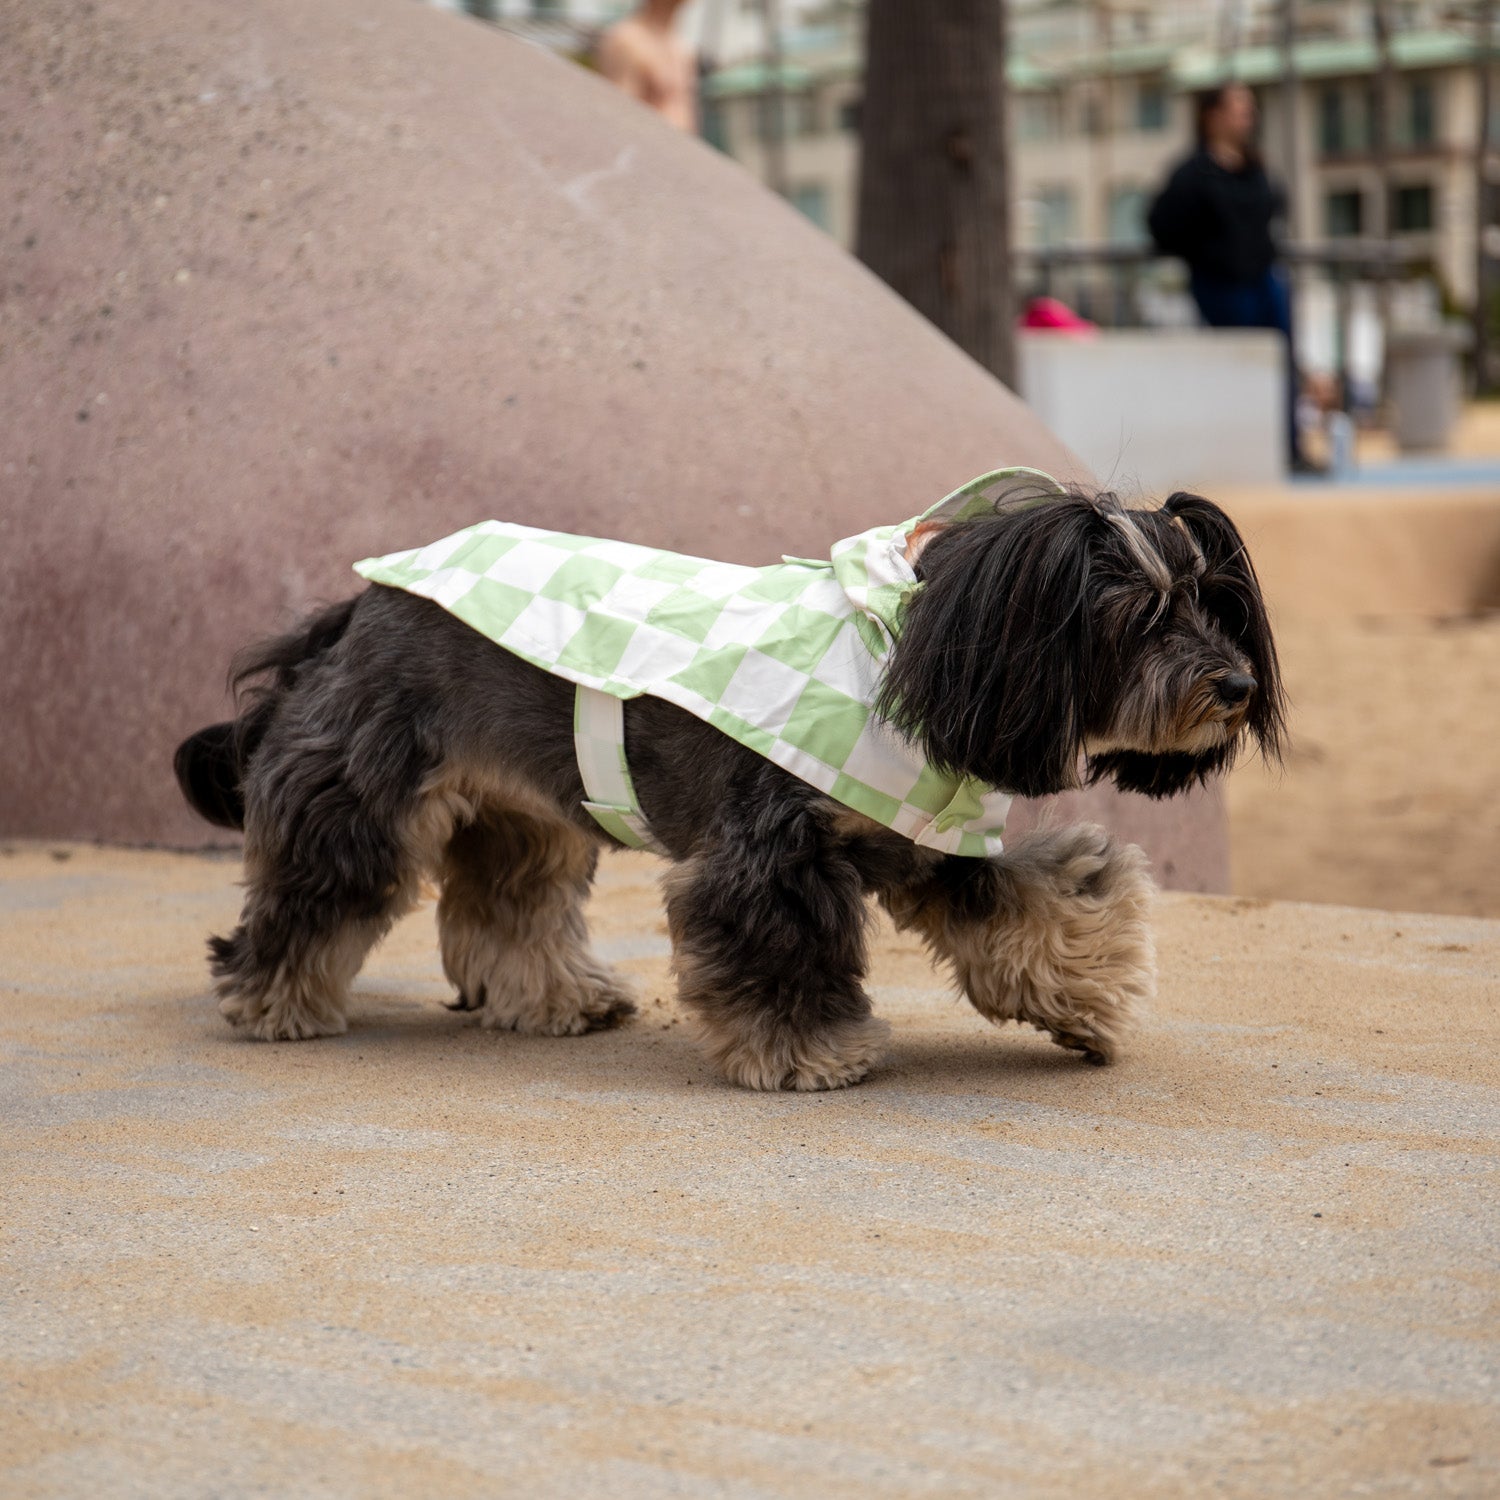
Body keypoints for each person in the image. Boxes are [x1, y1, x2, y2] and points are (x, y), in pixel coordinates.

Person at [1148, 83, 1312, 472]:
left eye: (1249, 110)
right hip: (1220, 284)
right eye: (1239, 110)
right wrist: (1205, 252)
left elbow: (1275, 209)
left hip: (1264, 280)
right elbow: (1162, 225)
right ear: (1213, 116)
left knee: (1281, 364)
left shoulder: (1255, 168)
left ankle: (1289, 448)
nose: (1248, 118)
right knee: (1239, 366)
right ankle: (1246, 451)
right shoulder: (1193, 173)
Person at [595, 0, 698, 134]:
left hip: (675, 145)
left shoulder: (682, 51)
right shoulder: (627, 40)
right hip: (644, 143)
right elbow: (618, 119)